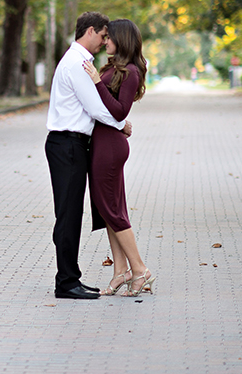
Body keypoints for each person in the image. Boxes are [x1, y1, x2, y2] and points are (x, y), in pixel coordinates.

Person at [45, 12, 129, 300]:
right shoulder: (77, 63)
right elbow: (96, 108)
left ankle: (70, 277)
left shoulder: (78, 60)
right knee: (68, 215)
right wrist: (122, 124)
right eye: (104, 35)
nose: (105, 41)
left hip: (71, 145)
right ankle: (66, 283)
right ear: (90, 31)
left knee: (70, 213)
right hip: (67, 144)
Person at [82, 18, 155, 297]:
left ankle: (140, 269)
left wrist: (95, 81)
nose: (105, 40)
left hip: (111, 148)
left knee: (111, 209)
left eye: (109, 37)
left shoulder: (131, 72)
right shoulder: (115, 68)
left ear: (121, 39)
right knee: (108, 210)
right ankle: (120, 272)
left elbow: (118, 111)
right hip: (103, 143)